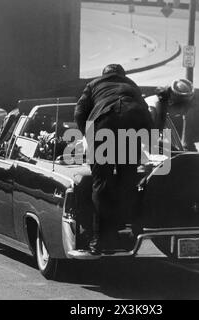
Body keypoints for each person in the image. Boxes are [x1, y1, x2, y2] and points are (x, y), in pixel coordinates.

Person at [75, 64, 153, 254]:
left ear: (104, 75)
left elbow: (79, 113)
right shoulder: (132, 85)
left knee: (102, 184)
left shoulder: (94, 85)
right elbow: (147, 118)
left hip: (104, 125)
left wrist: (87, 134)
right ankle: (132, 233)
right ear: (122, 75)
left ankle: (100, 240)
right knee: (128, 182)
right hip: (133, 124)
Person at [145, 79, 197, 151]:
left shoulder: (162, 109)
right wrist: (173, 150)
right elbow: (146, 140)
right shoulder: (151, 111)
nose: (183, 113)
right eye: (183, 110)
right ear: (171, 102)